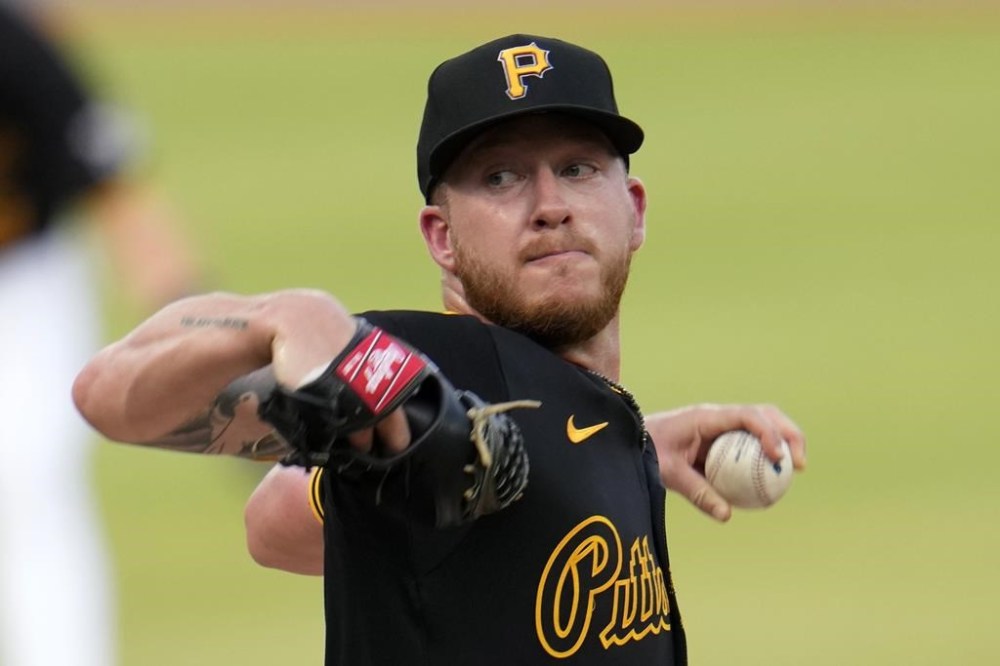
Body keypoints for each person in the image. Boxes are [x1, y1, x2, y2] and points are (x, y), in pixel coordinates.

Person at [72, 34, 806, 665]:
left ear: (634, 209)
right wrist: (282, 318)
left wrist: (613, 451)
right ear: (442, 239)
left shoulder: (582, 421)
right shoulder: (448, 366)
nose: (550, 204)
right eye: (501, 177)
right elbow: (105, 391)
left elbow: (277, 526)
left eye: (578, 168)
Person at [0, 4, 202, 665]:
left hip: (24, 285)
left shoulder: (18, 48)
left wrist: (200, 343)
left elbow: (119, 193)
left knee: (29, 483)